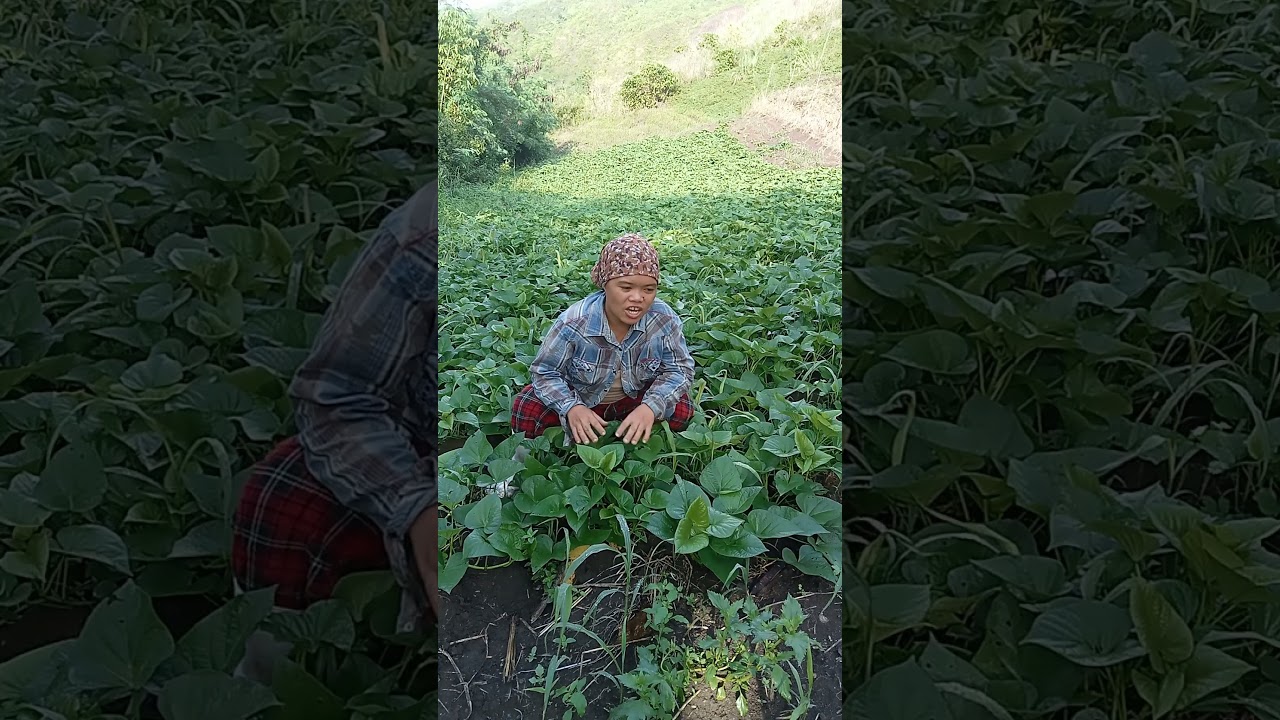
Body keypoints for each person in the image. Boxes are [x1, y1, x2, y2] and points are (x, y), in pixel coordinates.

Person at [229, 181, 439, 682]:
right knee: (281, 500)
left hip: (564, 461)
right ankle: (272, 688)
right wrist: (420, 513)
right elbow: (339, 394)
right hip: (432, 461)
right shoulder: (426, 236)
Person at [510, 232, 696, 455]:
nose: (638, 297)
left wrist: (650, 408)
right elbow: (544, 372)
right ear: (604, 285)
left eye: (649, 289)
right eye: (626, 288)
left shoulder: (663, 320)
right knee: (526, 406)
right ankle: (516, 468)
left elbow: (679, 369)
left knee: (682, 407)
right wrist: (572, 407)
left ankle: (640, 444)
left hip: (633, 396)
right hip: (583, 396)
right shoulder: (574, 322)